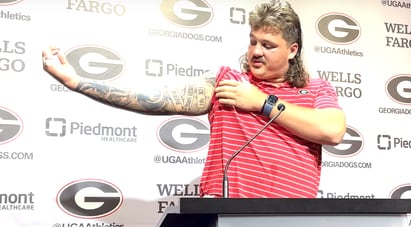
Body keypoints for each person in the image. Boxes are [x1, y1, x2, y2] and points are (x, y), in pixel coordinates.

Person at [41, 0, 346, 198]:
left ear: (292, 50)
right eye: (253, 41)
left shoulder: (317, 89)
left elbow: (332, 132)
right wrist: (77, 82)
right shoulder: (229, 82)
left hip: (290, 222)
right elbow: (154, 99)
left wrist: (261, 102)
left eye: (268, 45)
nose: (255, 52)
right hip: (227, 221)